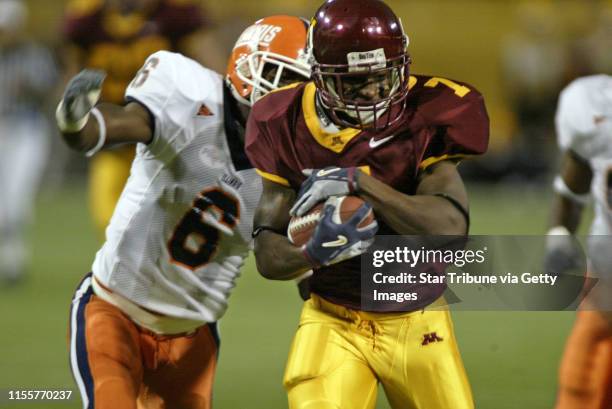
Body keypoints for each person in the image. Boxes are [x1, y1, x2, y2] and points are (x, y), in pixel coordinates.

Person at [56, 15, 310, 409]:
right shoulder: (189, 94)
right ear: (249, 68)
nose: (293, 96)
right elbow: (114, 125)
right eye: (284, 78)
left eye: (305, 86)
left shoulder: (296, 162)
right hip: (113, 313)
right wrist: (78, 123)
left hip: (194, 340)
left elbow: (296, 268)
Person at [245, 1, 489, 408]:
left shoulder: (428, 112)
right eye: (355, 82)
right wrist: (313, 251)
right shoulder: (281, 120)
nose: (374, 91)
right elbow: (267, 255)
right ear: (319, 77)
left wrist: (359, 183)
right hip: (332, 320)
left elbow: (448, 231)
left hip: (418, 318)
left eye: (382, 76)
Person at [62, 0, 223, 238]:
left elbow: (215, 71)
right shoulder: (87, 16)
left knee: (176, 223)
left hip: (168, 137)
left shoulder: (176, 13)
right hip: (114, 136)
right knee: (112, 224)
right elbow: (74, 77)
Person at [545, 75, 612, 409]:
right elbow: (572, 188)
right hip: (604, 302)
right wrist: (559, 238)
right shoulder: (595, 107)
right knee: (578, 395)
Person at [0, 0, 58, 284]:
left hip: (25, 130)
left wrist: (29, 86)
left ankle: (14, 264)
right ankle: (11, 262)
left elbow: (49, 90)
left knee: (16, 199)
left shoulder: (32, 55)